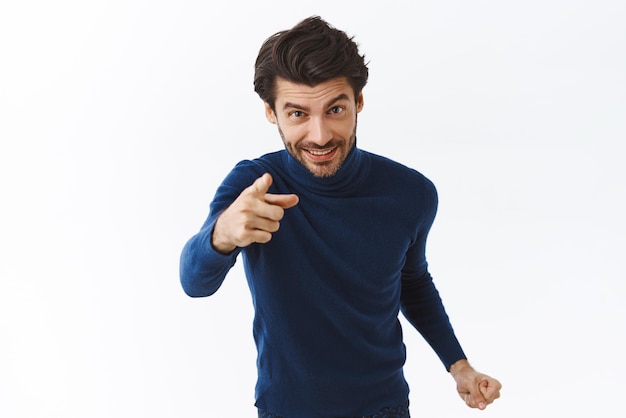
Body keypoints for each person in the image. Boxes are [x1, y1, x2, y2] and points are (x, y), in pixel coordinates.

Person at [180, 15, 501, 418]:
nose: (319, 135)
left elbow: (412, 282)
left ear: (359, 102)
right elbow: (194, 283)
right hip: (287, 408)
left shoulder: (411, 193)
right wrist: (221, 236)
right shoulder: (254, 185)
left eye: (335, 109)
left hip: (384, 408)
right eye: (297, 113)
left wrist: (459, 366)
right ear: (270, 112)